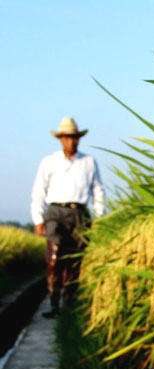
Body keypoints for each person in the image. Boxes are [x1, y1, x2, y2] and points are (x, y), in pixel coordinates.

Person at [31, 117, 105, 318]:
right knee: (54, 259)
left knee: (74, 261)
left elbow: (98, 190)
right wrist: (38, 219)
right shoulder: (49, 162)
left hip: (79, 214)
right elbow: (38, 191)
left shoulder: (88, 162)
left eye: (74, 138)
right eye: (66, 138)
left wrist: (98, 217)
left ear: (78, 139)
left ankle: (69, 304)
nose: (71, 142)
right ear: (60, 139)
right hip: (55, 213)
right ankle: (54, 304)